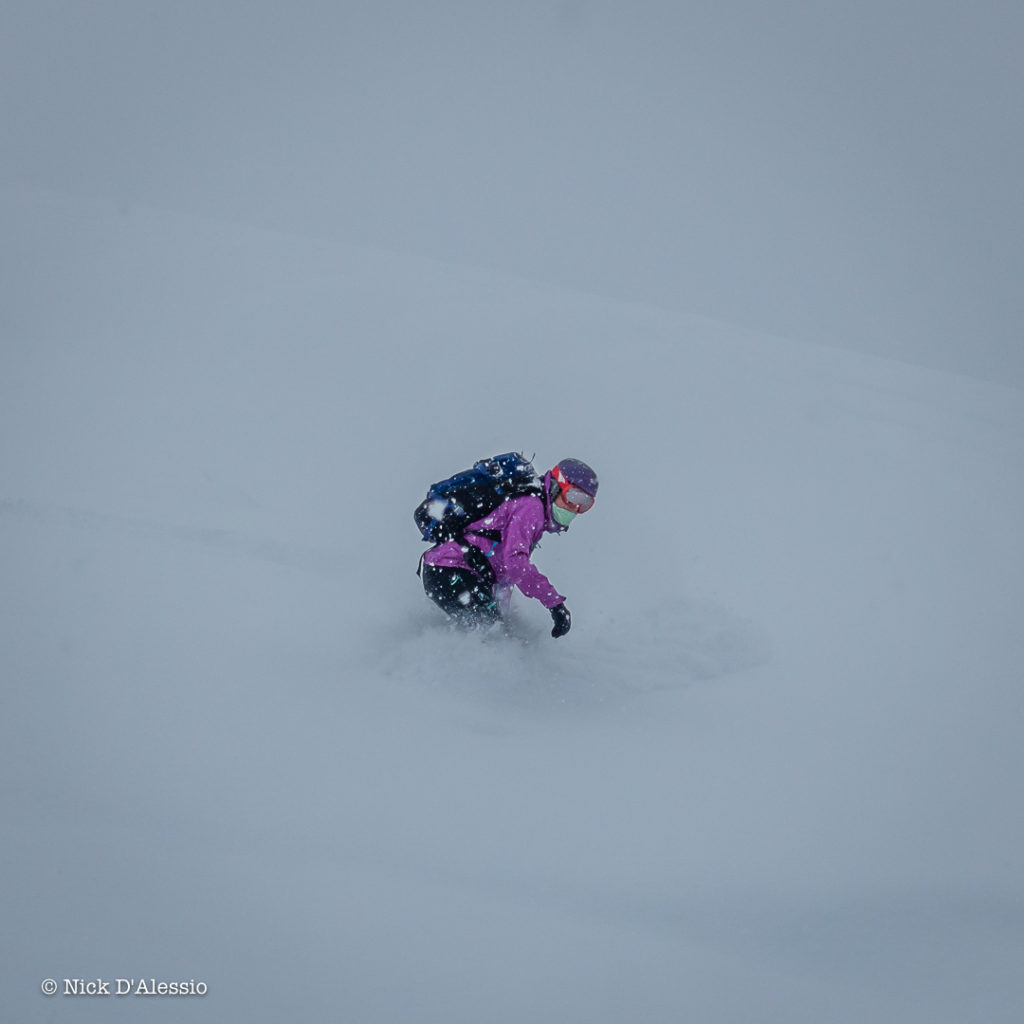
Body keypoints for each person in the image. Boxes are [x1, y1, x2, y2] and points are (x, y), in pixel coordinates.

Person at [420, 458, 598, 637]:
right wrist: (554, 604)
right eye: (573, 497)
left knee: (496, 631)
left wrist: (504, 618)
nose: (575, 508)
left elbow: (504, 572)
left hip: (450, 573)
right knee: (489, 632)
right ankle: (436, 657)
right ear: (556, 486)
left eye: (584, 503)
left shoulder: (533, 510)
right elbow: (516, 565)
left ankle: (453, 656)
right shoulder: (531, 507)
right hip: (449, 570)